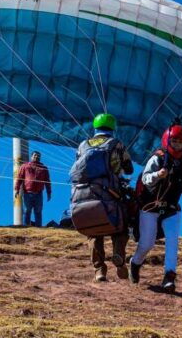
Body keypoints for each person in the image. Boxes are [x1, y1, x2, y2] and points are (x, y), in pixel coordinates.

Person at [129, 120, 182, 293]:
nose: (177, 144)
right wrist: (158, 175)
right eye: (174, 141)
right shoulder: (157, 158)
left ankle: (169, 276)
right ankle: (135, 263)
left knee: (172, 241)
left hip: (171, 209)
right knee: (147, 244)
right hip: (150, 206)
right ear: (168, 140)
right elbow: (145, 178)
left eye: (180, 142)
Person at [70, 113, 134, 282]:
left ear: (95, 127)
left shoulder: (83, 145)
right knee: (121, 226)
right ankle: (119, 256)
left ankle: (99, 270)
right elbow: (129, 169)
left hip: (83, 195)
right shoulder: (116, 144)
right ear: (112, 128)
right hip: (109, 193)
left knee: (93, 232)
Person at [14, 151, 52, 227]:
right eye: (35, 155)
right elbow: (19, 178)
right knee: (27, 210)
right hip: (28, 192)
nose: (36, 157)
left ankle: (38, 227)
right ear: (31, 156)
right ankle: (26, 226)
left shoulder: (43, 168)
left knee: (38, 211)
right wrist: (17, 189)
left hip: (39, 193)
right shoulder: (25, 166)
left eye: (38, 156)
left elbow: (47, 181)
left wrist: (49, 192)